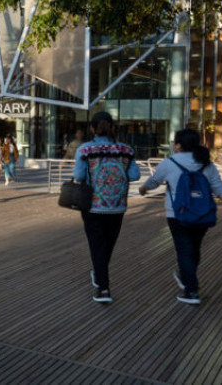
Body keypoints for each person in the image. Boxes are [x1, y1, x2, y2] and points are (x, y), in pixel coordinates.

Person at [139, 128, 222, 305]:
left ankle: (191, 291)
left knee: (184, 251)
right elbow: (219, 188)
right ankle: (187, 277)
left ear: (178, 145)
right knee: (194, 248)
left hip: (177, 215)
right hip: (202, 214)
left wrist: (143, 189)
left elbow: (153, 182)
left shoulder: (170, 162)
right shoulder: (205, 163)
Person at [74, 112, 140, 304]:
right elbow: (135, 175)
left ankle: (103, 288)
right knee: (108, 245)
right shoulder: (126, 150)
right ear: (112, 127)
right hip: (118, 206)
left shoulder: (85, 150)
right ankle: (100, 275)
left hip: (93, 205)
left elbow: (78, 176)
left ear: (92, 128)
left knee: (97, 246)